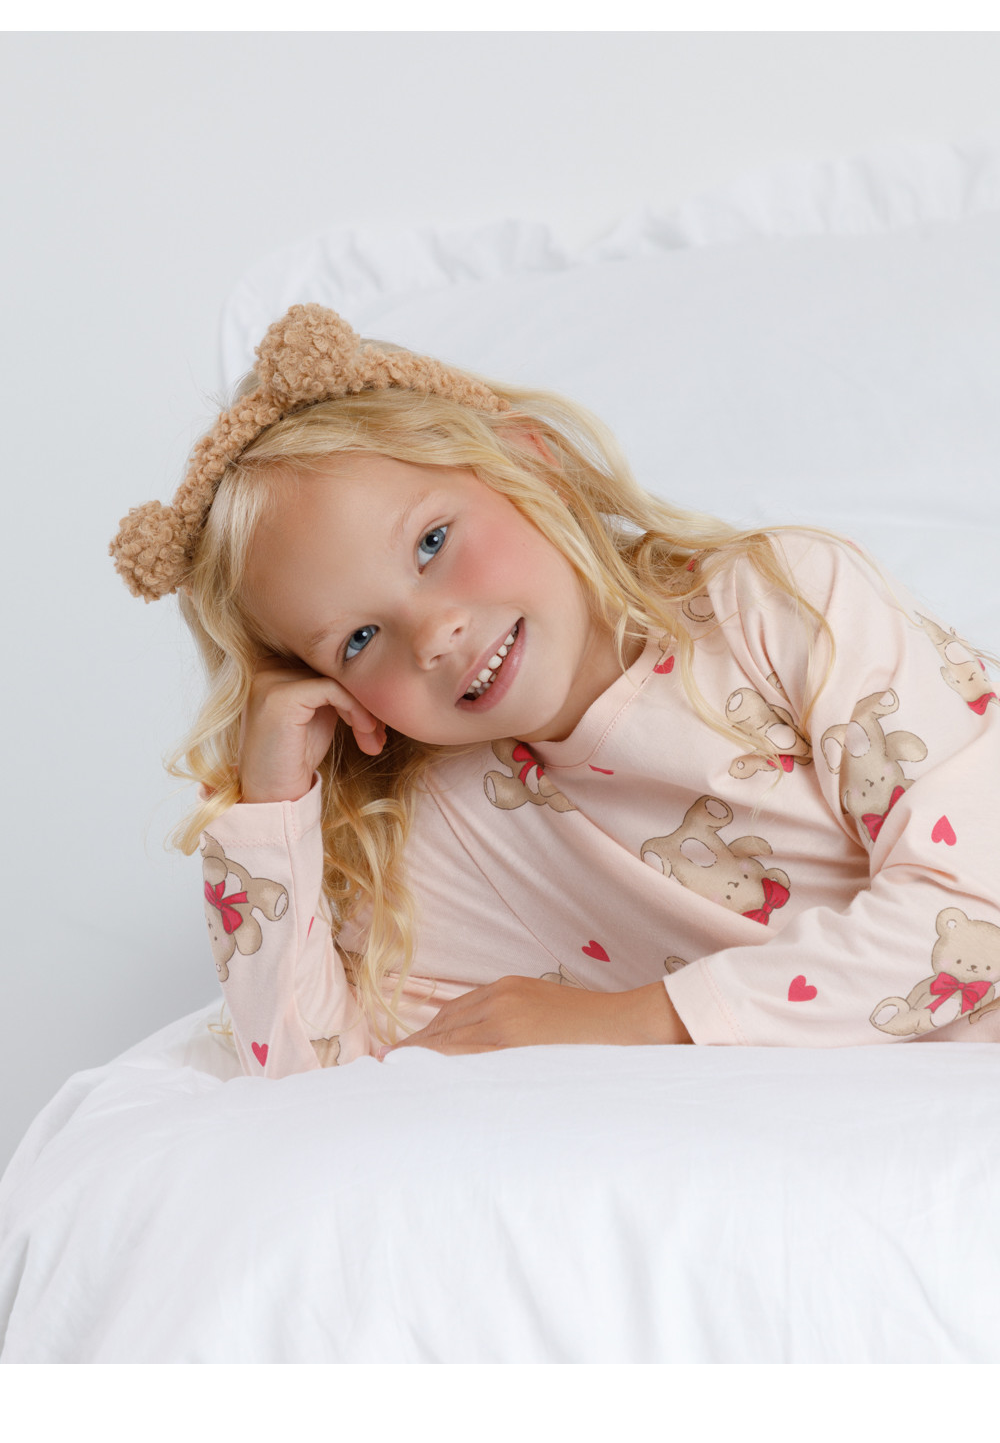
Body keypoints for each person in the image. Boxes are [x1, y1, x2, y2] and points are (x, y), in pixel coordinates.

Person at [109, 303, 1000, 1076]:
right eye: (359, 639)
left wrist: (637, 1020)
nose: (434, 635)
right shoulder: (451, 836)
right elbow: (308, 1077)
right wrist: (274, 803)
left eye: (432, 543)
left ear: (533, 466)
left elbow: (975, 906)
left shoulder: (777, 603)